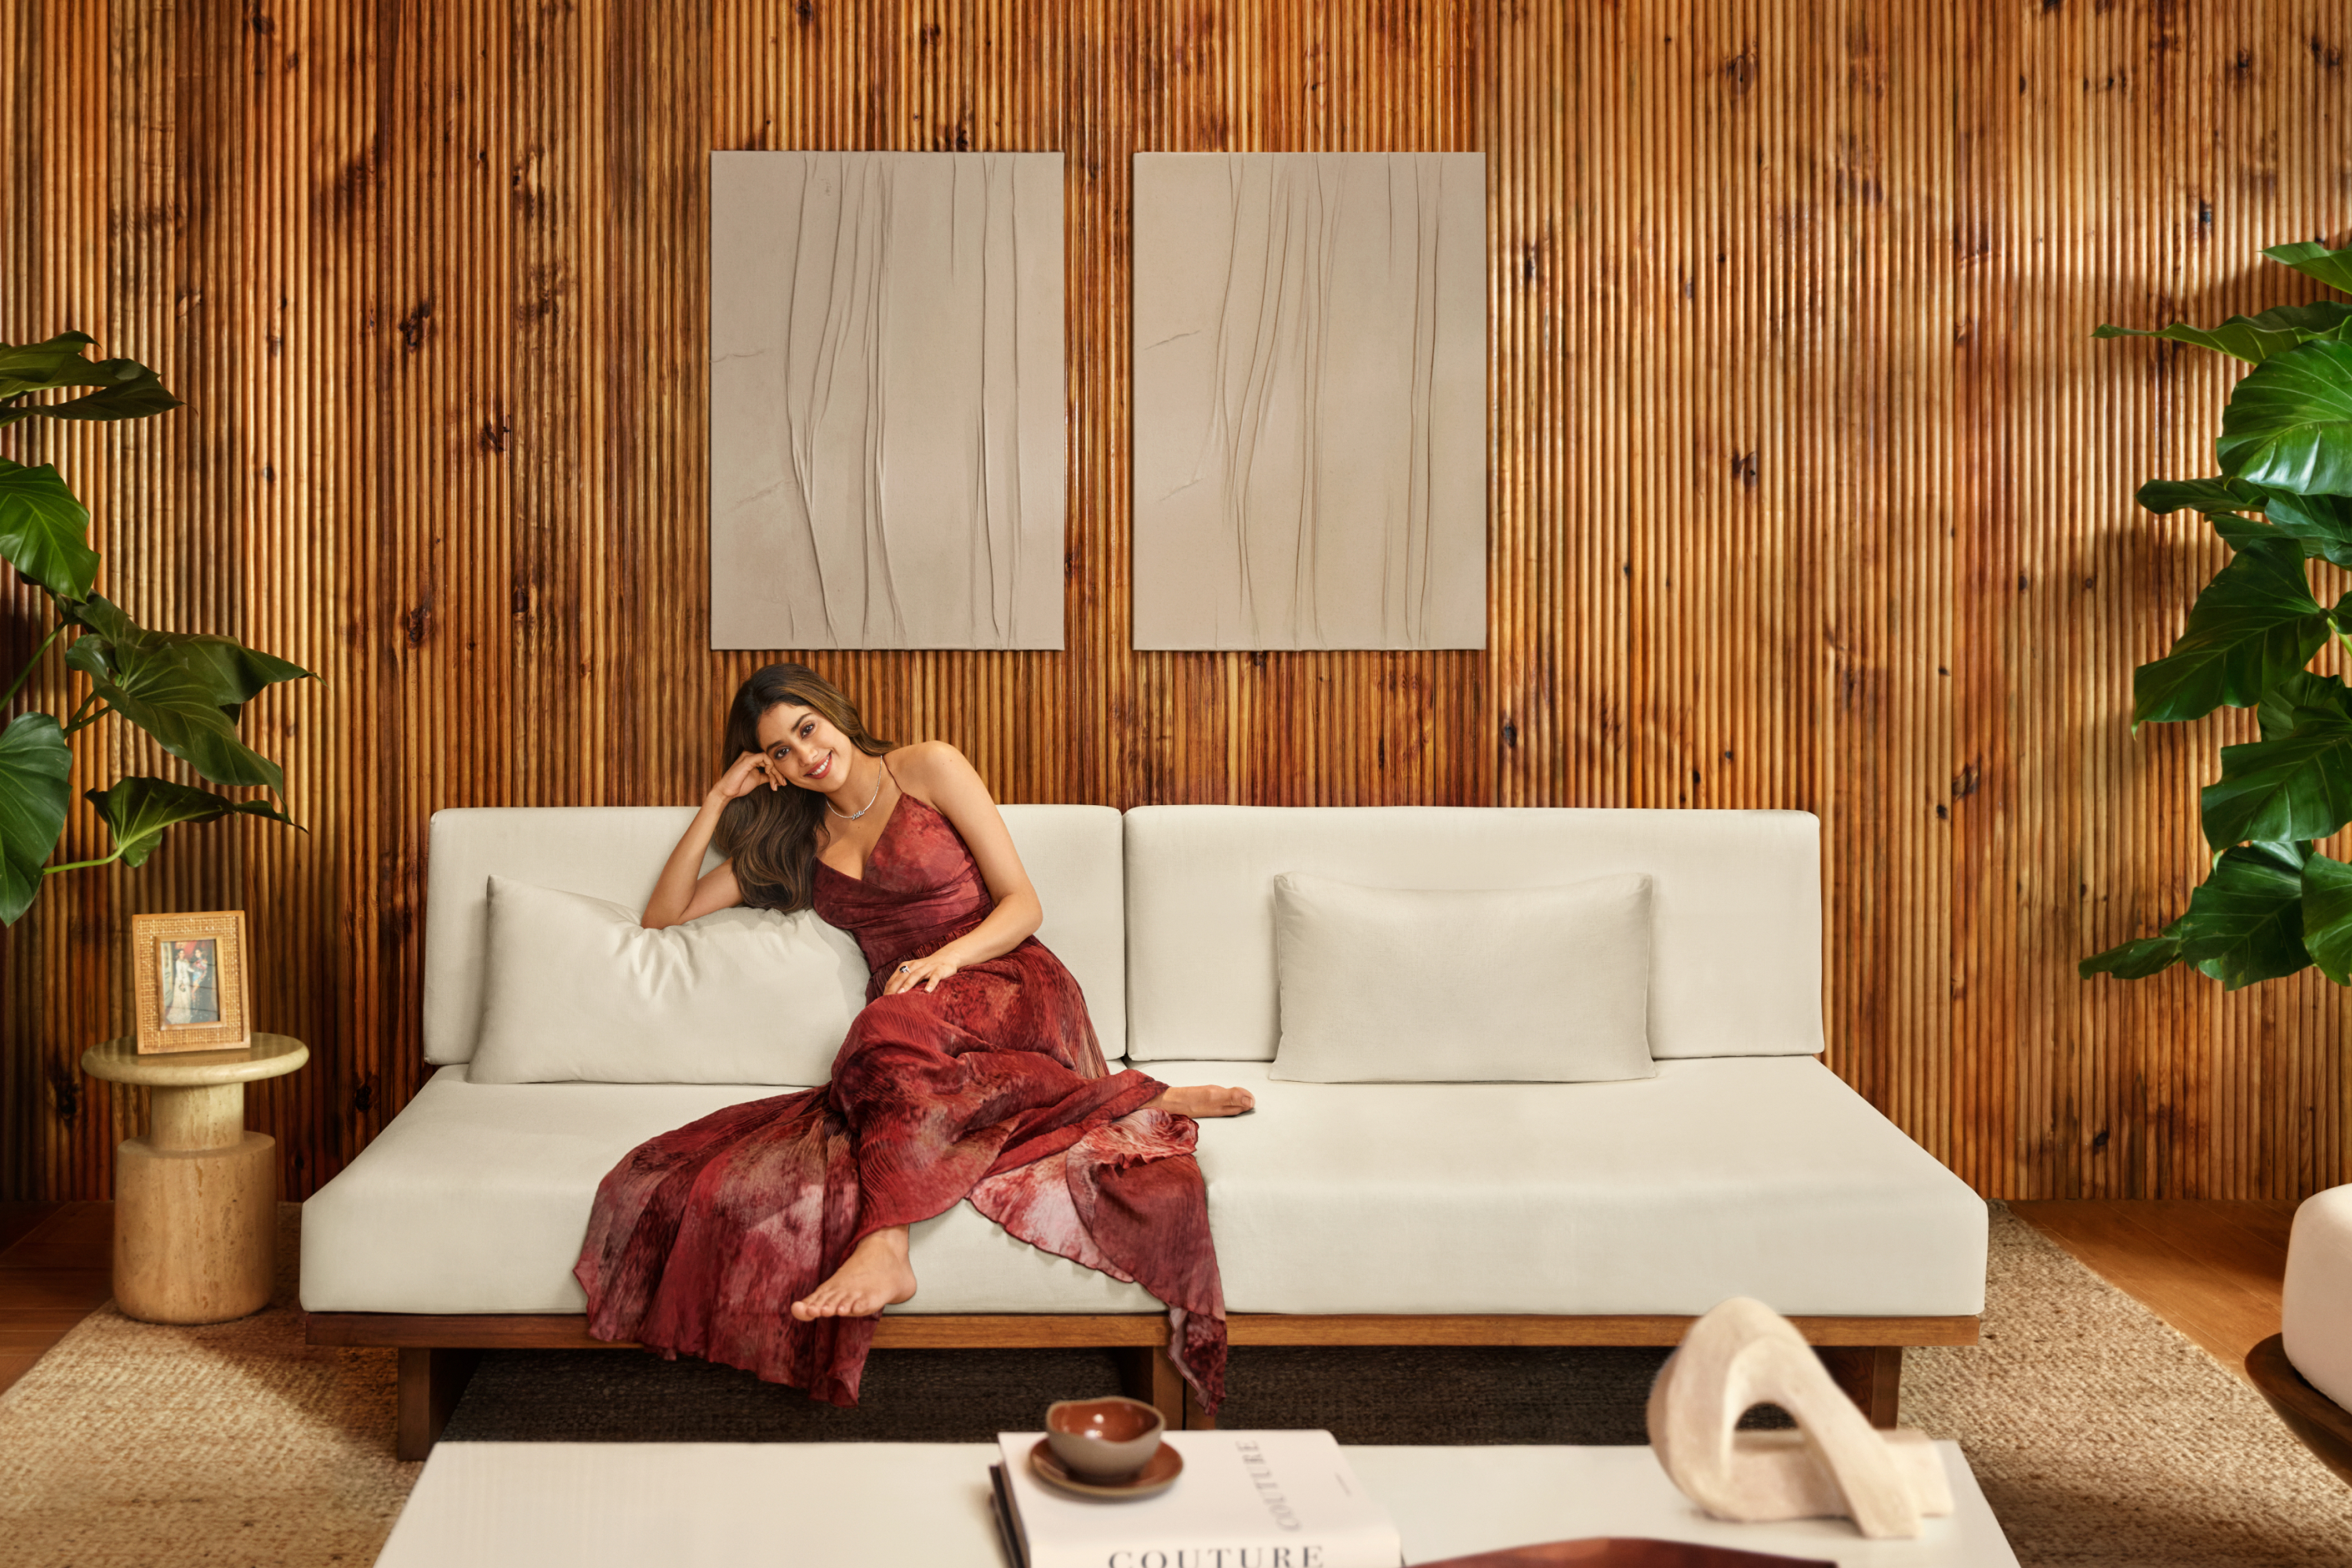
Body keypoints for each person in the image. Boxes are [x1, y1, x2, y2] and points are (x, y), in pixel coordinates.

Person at [574, 663, 1254, 1409]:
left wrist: (944, 958)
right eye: (779, 753)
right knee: (882, 1047)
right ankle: (1109, 1101)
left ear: (833, 713)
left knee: (882, 1032)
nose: (805, 756)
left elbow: (1023, 903)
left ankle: (887, 1244)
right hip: (911, 1028)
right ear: (767, 769)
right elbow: (663, 916)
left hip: (1005, 978)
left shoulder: (927, 766)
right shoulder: (794, 841)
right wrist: (715, 802)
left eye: (807, 730)